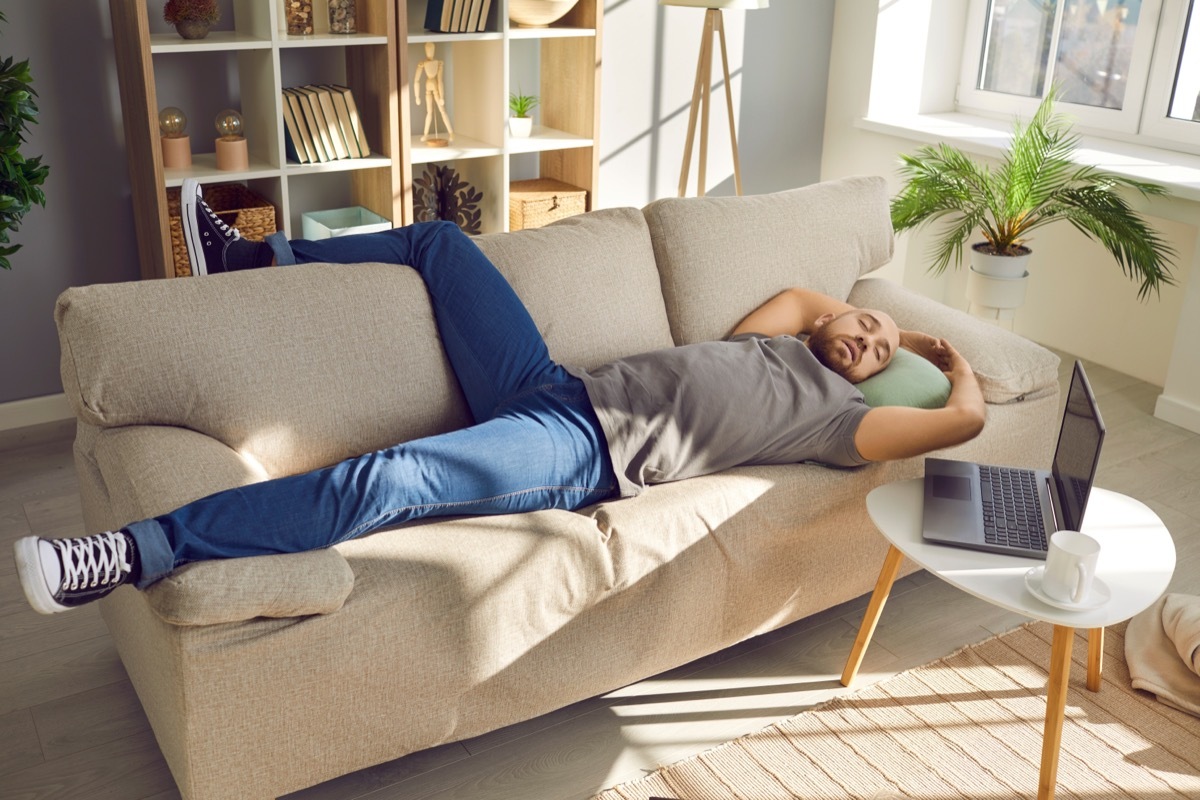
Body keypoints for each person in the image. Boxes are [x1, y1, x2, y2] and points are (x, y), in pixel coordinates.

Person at [13, 181, 985, 615]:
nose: (866, 335)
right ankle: (250, 254)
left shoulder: (836, 418)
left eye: (877, 346)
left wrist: (937, 350)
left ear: (874, 379)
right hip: (553, 388)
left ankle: (133, 550)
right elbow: (808, 301)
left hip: (579, 455)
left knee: (378, 482)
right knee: (444, 244)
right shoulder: (780, 338)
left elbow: (963, 419)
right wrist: (856, 320)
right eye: (866, 325)